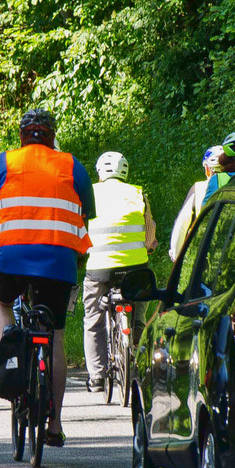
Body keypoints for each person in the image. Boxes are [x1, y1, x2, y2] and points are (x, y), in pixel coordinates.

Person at [0, 109, 94, 447]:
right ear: (52, 136)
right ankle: (54, 424)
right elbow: (86, 217)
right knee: (54, 335)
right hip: (58, 262)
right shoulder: (72, 165)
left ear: (22, 135)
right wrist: (75, 254)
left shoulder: (2, 163)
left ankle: (10, 339)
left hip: (10, 259)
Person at [82, 151, 157, 392]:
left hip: (99, 270)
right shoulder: (137, 193)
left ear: (100, 172)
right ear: (125, 171)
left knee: (93, 318)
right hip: (135, 268)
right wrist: (150, 245)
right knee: (139, 313)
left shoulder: (89, 193)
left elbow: (80, 227)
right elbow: (149, 231)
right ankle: (138, 362)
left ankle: (96, 376)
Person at [169, 145, 222, 261]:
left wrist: (176, 255)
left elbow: (181, 225)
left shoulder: (199, 188)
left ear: (207, 169)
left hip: (202, 254)